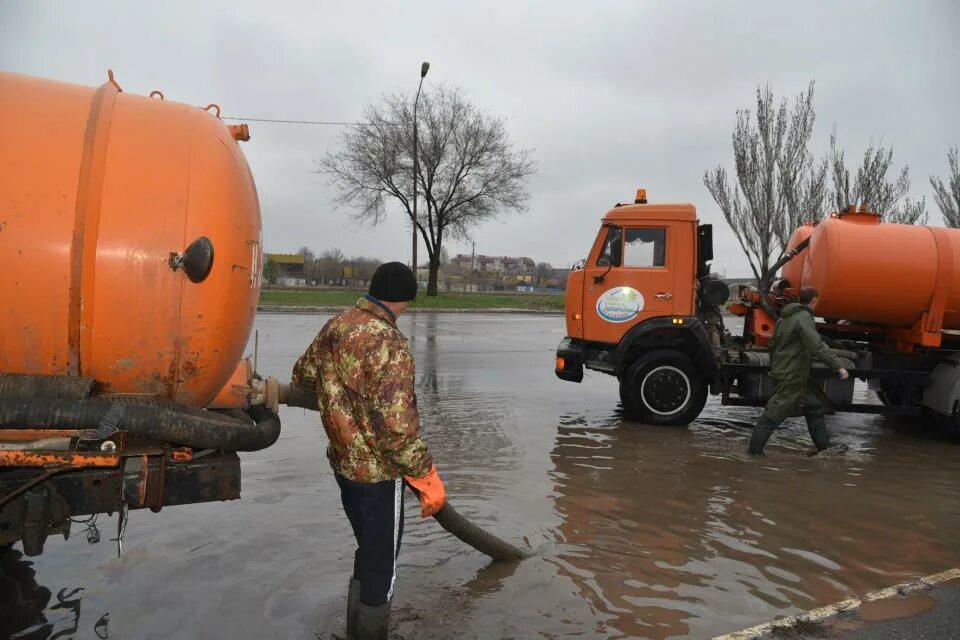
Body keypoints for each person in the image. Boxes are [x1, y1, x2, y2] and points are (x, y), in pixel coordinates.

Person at [291, 262, 446, 640]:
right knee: (382, 565)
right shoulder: (388, 342)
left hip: (343, 466)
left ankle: (353, 629)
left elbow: (303, 377)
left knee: (369, 549)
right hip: (379, 475)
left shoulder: (338, 325)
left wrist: (339, 396)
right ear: (405, 299)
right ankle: (370, 633)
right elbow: (396, 430)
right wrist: (426, 475)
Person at [748, 287, 850, 456]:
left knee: (815, 407)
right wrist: (837, 366)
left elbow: (772, 345)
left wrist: (778, 365)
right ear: (814, 301)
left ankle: (825, 448)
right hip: (792, 375)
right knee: (773, 414)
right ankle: (754, 452)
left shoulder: (785, 318)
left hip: (792, 374)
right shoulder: (804, 318)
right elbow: (816, 345)